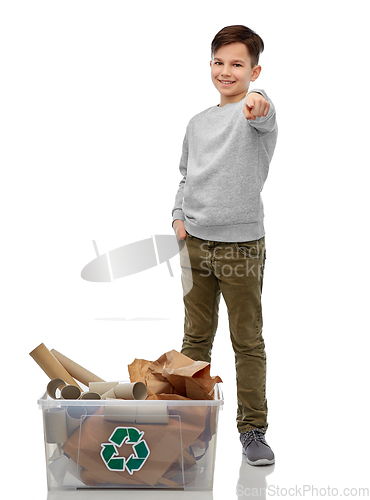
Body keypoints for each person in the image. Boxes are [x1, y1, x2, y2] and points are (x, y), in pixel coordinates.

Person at [172, 25, 278, 466]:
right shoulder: (198, 123)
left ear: (254, 70)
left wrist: (259, 103)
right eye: (219, 62)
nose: (226, 71)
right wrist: (178, 217)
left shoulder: (255, 115)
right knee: (195, 339)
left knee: (246, 341)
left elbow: (264, 111)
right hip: (195, 243)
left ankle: (252, 430)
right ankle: (187, 426)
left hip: (240, 249)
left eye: (237, 64)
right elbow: (185, 175)